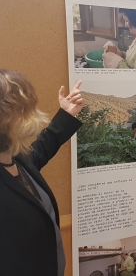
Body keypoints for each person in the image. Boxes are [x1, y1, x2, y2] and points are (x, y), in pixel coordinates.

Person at [0, 69, 84, 276]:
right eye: (26, 109)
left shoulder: (16, 158)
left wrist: (67, 114)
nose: (33, 114)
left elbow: (39, 151)